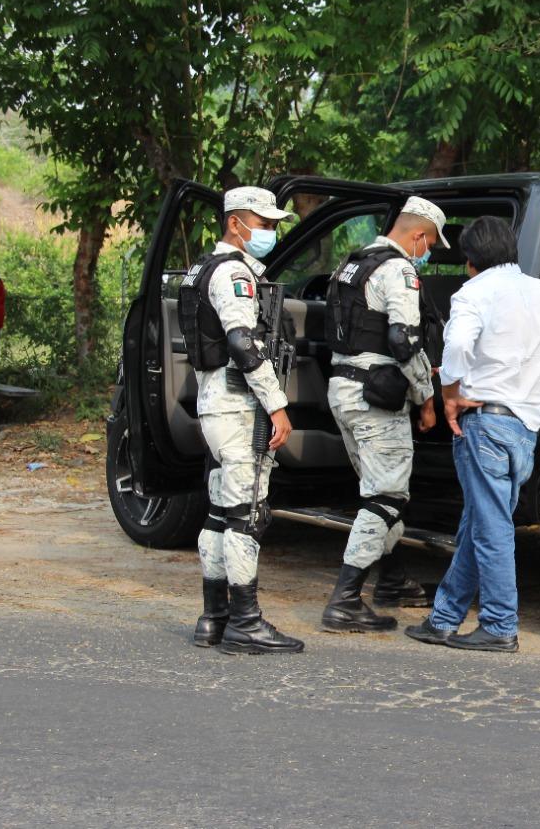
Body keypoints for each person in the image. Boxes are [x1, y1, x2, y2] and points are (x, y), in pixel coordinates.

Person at [405, 216, 540, 652]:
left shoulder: (472, 294)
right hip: (524, 431)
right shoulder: (539, 292)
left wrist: (450, 393)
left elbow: (459, 346)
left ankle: (500, 625)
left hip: (484, 426)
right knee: (479, 522)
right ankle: (444, 619)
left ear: (470, 261)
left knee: (492, 528)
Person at [181, 186, 302, 654]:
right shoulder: (233, 273)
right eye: (265, 223)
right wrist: (276, 404)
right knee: (248, 514)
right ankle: (246, 622)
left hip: (215, 402)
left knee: (219, 512)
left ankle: (214, 618)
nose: (270, 232)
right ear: (236, 223)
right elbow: (241, 343)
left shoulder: (202, 269)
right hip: (237, 405)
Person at [320, 197, 441, 632]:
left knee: (377, 493)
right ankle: (345, 599)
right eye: (430, 245)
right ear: (419, 236)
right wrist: (427, 396)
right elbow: (404, 341)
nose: (427, 254)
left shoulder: (352, 264)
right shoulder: (399, 270)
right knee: (387, 496)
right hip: (376, 396)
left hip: (343, 388)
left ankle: (393, 579)